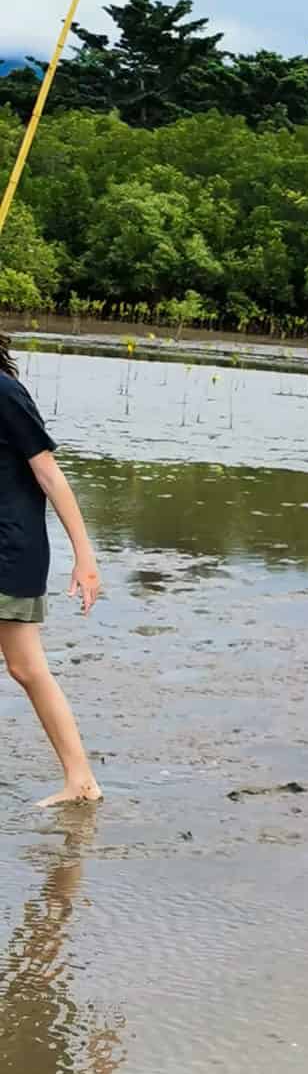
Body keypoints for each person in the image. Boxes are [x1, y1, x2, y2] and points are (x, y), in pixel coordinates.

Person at [0, 333, 103, 804]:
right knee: (26, 668)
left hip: (10, 549)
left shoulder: (4, 392)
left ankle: (81, 779)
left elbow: (49, 474)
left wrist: (84, 556)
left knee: (27, 667)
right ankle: (80, 779)